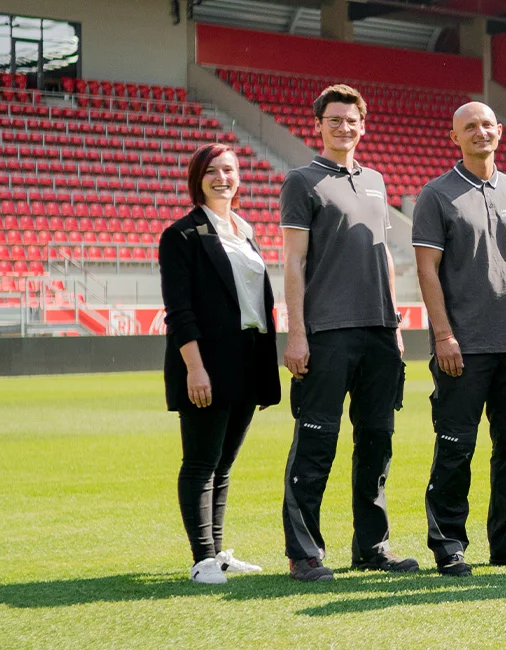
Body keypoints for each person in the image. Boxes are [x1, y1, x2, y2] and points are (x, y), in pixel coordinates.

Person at [410, 102, 506, 577]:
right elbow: (427, 270)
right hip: (463, 346)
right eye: (468, 127)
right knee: (455, 446)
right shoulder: (436, 195)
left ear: (499, 132)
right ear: (454, 137)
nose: (479, 132)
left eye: (486, 125)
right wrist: (444, 334)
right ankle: (449, 543)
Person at [278, 84, 413, 582]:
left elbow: (383, 256)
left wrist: (395, 323)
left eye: (351, 119)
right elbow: (292, 261)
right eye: (333, 119)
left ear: (362, 123)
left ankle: (372, 546)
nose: (343, 127)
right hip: (327, 332)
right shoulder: (301, 181)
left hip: (379, 331)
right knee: (316, 443)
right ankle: (304, 553)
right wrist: (297, 334)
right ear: (319, 125)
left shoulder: (376, 181)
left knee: (377, 441)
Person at [159, 142, 278, 584]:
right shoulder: (181, 235)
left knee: (223, 464)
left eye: (228, 169)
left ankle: (218, 553)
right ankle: (202, 559)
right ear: (197, 178)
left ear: (239, 178)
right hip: (206, 362)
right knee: (200, 463)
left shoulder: (245, 231)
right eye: (211, 170)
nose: (221, 177)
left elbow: (255, 305)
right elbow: (180, 310)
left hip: (247, 360)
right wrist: (194, 367)